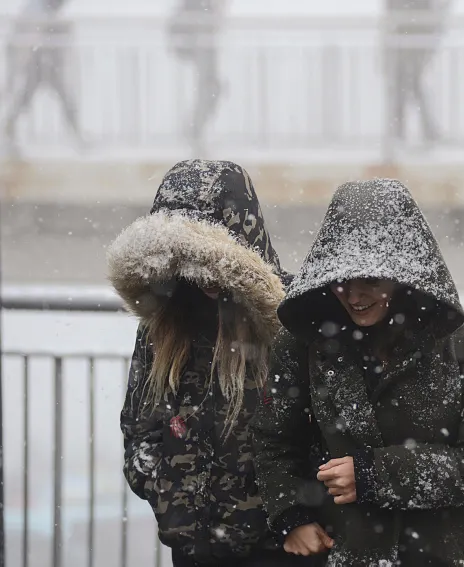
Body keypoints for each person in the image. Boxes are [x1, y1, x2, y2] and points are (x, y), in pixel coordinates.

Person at [250, 179, 464, 566]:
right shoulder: (303, 344)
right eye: (341, 282)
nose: (354, 296)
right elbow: (274, 440)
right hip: (346, 550)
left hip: (447, 554)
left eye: (371, 281)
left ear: (405, 275)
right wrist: (292, 516)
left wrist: (375, 475)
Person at [108, 159, 312, 567]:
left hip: (284, 549)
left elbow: (323, 432)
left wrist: (297, 514)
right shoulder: (164, 325)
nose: (206, 276)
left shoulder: (292, 319)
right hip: (195, 550)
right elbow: (139, 430)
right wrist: (173, 500)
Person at [3, 0, 84, 155]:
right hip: (37, 63)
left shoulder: (45, 10)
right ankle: (8, 132)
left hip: (46, 64)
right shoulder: (35, 10)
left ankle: (77, 135)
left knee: (63, 99)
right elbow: (29, 39)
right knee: (25, 100)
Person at [383, 0, 449, 146]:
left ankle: (407, 131)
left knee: (409, 80)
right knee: (404, 81)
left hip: (414, 32)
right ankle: (408, 131)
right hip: (404, 32)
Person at [167, 0, 224, 154]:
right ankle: (194, 132)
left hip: (202, 39)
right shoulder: (197, 10)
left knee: (211, 87)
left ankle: (195, 131)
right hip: (200, 40)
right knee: (210, 87)